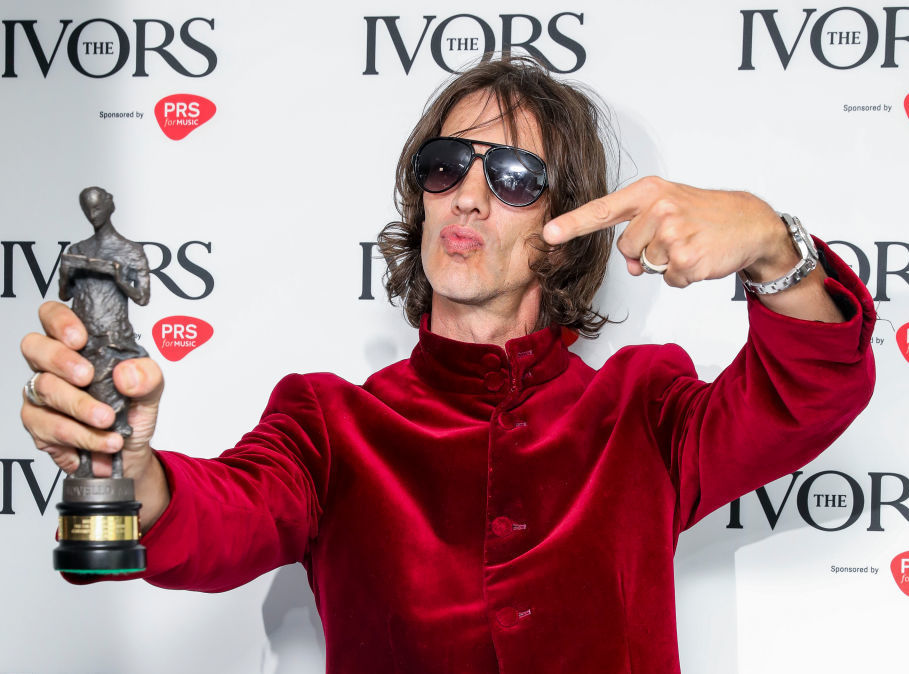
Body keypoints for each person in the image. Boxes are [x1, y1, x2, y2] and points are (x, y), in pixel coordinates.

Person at [20, 58, 874, 673]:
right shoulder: (327, 423)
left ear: (566, 221)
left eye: (510, 176)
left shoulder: (642, 407)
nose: (467, 194)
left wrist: (769, 241)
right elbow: (220, 518)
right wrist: (130, 469)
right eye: (443, 166)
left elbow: (809, 389)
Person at [56, 186, 150, 477]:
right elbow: (64, 294)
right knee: (85, 405)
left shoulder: (130, 251)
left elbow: (142, 297)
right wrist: (66, 272)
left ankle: (119, 469)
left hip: (115, 341)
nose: (93, 214)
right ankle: (84, 464)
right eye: (88, 209)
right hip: (83, 342)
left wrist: (119, 276)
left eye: (97, 208)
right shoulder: (77, 251)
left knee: (114, 408)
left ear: (110, 206)